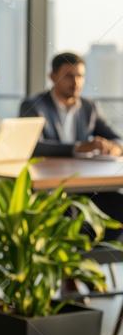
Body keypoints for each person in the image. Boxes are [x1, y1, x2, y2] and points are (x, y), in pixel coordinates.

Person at [20, 52, 123, 241]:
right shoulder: (35, 105)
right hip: (50, 190)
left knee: (118, 204)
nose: (76, 82)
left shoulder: (88, 108)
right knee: (67, 212)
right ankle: (71, 258)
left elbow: (116, 138)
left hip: (85, 187)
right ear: (52, 77)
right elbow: (34, 147)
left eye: (80, 76)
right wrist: (77, 147)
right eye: (69, 76)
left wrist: (114, 147)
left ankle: (94, 257)